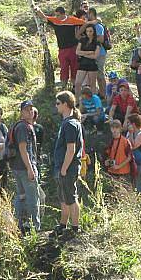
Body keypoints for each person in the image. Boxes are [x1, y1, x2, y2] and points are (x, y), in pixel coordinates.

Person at [53, 92, 84, 238]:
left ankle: (75, 227)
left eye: (58, 103)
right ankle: (63, 225)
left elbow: (71, 150)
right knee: (63, 198)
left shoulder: (71, 124)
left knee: (71, 197)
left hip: (68, 168)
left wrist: (64, 168)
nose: (56, 106)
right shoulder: (67, 122)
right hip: (62, 167)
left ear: (66, 104)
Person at [9, 100, 40, 233]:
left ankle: (18, 224)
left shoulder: (22, 125)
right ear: (21, 112)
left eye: (32, 109)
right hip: (24, 168)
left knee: (21, 196)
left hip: (17, 167)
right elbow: (23, 149)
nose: (30, 111)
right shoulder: (23, 127)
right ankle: (35, 228)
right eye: (27, 109)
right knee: (33, 198)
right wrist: (30, 168)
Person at [35, 6, 84, 89]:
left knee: (74, 67)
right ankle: (63, 87)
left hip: (73, 48)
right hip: (62, 50)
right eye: (56, 15)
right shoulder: (55, 21)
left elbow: (84, 23)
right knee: (63, 68)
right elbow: (44, 18)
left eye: (58, 15)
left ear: (63, 14)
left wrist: (79, 33)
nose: (56, 17)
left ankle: (74, 87)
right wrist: (38, 10)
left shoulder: (72, 20)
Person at [85, 8, 109, 96]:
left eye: (88, 14)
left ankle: (104, 93)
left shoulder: (98, 26)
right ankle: (100, 92)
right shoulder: (90, 26)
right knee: (94, 74)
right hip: (93, 53)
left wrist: (90, 38)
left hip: (100, 53)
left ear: (92, 14)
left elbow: (101, 39)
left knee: (100, 74)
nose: (87, 16)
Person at [74, 24, 100, 98]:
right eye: (87, 31)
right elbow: (77, 52)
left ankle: (94, 102)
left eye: (91, 31)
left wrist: (83, 54)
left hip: (92, 65)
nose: (89, 33)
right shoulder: (82, 40)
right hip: (82, 64)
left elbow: (95, 56)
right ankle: (77, 101)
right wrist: (89, 52)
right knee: (78, 83)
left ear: (94, 32)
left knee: (92, 85)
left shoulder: (96, 42)